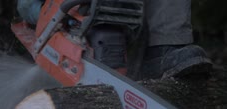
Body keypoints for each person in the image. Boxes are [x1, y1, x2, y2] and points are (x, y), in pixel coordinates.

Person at [16, 0, 212, 79]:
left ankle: (165, 49)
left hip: (138, 27)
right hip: (74, 31)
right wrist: (45, 11)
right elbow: (25, 6)